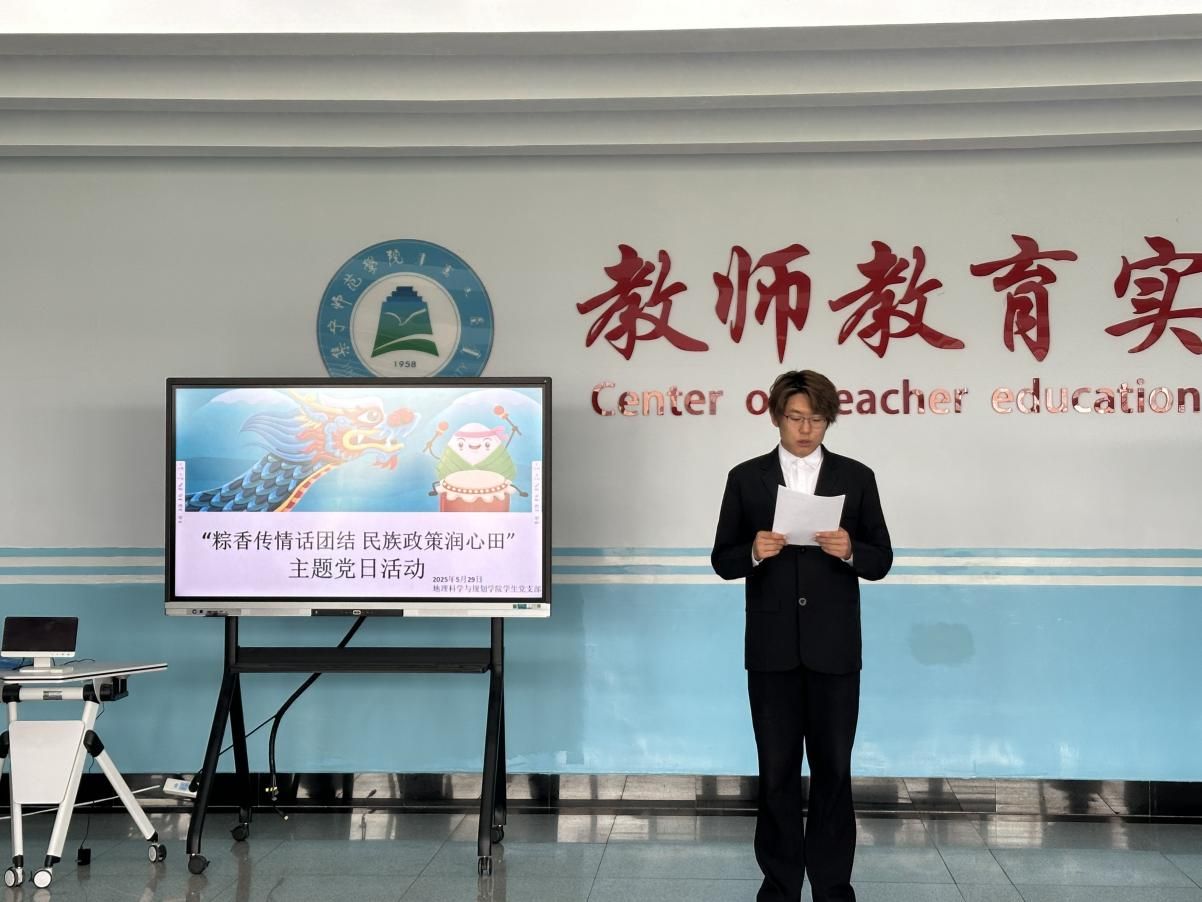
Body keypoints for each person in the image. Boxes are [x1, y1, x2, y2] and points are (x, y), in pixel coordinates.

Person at [711, 369, 892, 902]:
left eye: (815, 419)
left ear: (828, 420)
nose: (805, 429)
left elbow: (882, 559)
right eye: (795, 418)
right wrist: (753, 552)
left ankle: (833, 887)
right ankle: (779, 886)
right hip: (772, 652)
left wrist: (851, 550)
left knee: (835, 771)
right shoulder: (746, 478)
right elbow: (722, 559)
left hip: (835, 651)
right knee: (776, 773)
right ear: (776, 417)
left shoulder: (856, 476)